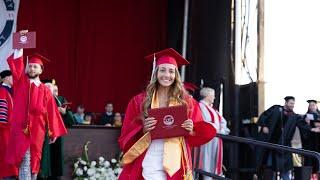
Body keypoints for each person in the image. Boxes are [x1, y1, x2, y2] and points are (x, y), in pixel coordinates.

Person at [118, 48, 216, 180]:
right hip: (149, 154)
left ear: (176, 75)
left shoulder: (187, 102)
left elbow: (198, 130)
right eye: (162, 70)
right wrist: (143, 129)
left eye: (171, 71)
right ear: (155, 72)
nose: (167, 75)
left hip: (176, 160)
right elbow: (126, 132)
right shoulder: (139, 101)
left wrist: (190, 128)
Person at [5, 36, 67, 180]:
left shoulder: (45, 90)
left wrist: (54, 132)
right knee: (24, 159)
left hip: (38, 128)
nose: (32, 68)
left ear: (41, 69)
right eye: (30, 66)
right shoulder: (21, 83)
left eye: (35, 66)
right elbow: (17, 65)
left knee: (35, 160)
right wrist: (20, 45)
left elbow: (51, 111)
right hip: (22, 128)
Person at [256, 96, 320, 180]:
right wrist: (263, 125)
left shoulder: (294, 116)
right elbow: (264, 116)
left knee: (285, 169)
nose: (292, 105)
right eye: (291, 103)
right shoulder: (275, 109)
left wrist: (312, 128)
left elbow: (302, 124)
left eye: (293, 104)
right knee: (269, 167)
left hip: (284, 147)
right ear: (286, 102)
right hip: (271, 145)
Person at [39, 79, 75, 179]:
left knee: (54, 164)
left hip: (56, 137)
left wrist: (64, 112)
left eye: (50, 86)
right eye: (45, 86)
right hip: (41, 135)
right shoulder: (37, 98)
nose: (48, 88)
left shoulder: (60, 99)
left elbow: (71, 121)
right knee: (42, 164)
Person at [197, 87, 230, 178]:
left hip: (215, 139)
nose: (214, 98)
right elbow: (204, 122)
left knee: (213, 162)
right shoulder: (200, 106)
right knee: (206, 162)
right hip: (207, 139)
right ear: (207, 96)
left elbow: (223, 122)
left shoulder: (212, 109)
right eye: (213, 95)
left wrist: (221, 131)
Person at [0, 70, 18, 180]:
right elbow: (2, 114)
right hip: (5, 131)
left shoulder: (13, 91)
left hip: (13, 131)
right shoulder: (2, 90)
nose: (13, 79)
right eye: (12, 77)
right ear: (5, 78)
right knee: (6, 159)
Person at [299, 99, 320, 180]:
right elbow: (302, 127)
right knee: (309, 162)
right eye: (310, 105)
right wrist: (310, 127)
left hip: (318, 144)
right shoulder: (305, 117)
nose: (311, 107)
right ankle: (311, 177)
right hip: (310, 144)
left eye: (313, 105)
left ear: (316, 106)